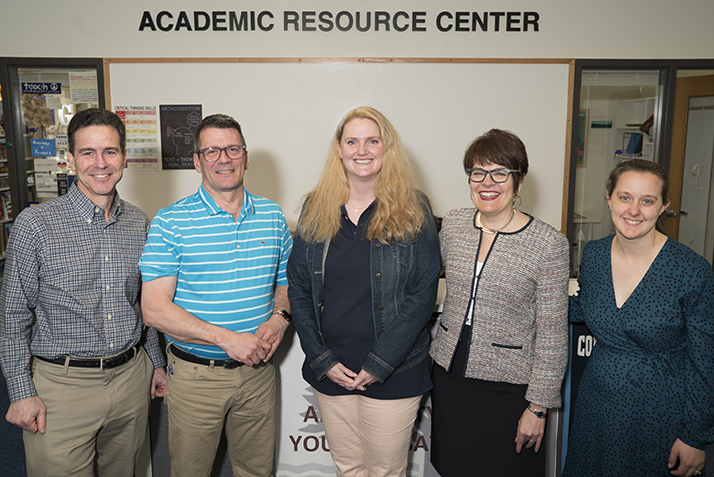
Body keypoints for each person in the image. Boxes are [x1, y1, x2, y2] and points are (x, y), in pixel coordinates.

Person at [0, 108, 167, 477]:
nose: (100, 163)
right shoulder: (36, 224)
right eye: (88, 153)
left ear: (124, 157)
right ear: (71, 159)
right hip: (61, 387)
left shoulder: (139, 222)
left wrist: (156, 363)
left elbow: (143, 304)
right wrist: (20, 391)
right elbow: (12, 316)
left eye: (109, 151)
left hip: (130, 379)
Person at [287, 106, 440, 477]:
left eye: (373, 141)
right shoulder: (315, 207)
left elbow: (423, 293)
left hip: (395, 370)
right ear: (338, 149)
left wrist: (379, 364)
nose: (363, 150)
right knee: (349, 469)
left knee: (386, 472)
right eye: (352, 141)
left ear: (387, 149)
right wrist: (321, 359)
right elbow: (300, 288)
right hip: (333, 371)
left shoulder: (414, 208)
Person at [139, 113, 293, 477]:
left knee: (256, 472)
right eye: (211, 151)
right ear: (196, 161)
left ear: (245, 155)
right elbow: (154, 310)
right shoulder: (170, 221)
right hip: (196, 378)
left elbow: (287, 285)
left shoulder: (272, 216)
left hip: (258, 374)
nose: (224, 159)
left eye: (232, 149)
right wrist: (227, 340)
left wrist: (280, 318)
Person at [429, 129, 570, 477]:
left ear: (518, 182)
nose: (487, 182)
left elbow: (552, 335)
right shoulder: (455, 226)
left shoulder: (549, 244)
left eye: (500, 173)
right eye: (477, 173)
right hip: (450, 378)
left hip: (510, 390)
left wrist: (537, 408)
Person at [563, 159, 713, 477]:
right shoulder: (593, 254)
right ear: (609, 198)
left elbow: (706, 361)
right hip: (598, 404)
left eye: (647, 201)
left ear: (664, 207)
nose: (634, 211)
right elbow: (585, 307)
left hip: (659, 412)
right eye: (625, 197)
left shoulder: (692, 270)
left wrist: (695, 437)